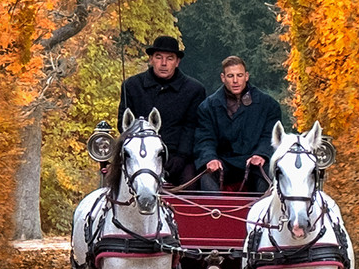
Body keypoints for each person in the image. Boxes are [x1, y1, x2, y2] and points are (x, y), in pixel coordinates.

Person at [117, 35, 205, 187]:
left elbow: (192, 127)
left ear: (177, 62)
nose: (164, 63)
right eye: (159, 57)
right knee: (118, 182)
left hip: (178, 158)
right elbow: (124, 125)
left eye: (170, 58)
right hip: (139, 157)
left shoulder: (194, 90)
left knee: (191, 184)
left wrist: (181, 157)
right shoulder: (131, 86)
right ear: (151, 59)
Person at [194, 56, 285, 193]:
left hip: (255, 162)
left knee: (267, 175)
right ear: (223, 78)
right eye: (230, 76)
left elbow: (269, 136)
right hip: (223, 161)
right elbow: (205, 138)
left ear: (246, 76)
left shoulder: (268, 105)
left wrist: (261, 154)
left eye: (239, 75)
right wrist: (210, 158)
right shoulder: (207, 107)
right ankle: (214, 213)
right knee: (207, 176)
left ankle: (261, 213)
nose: (235, 81)